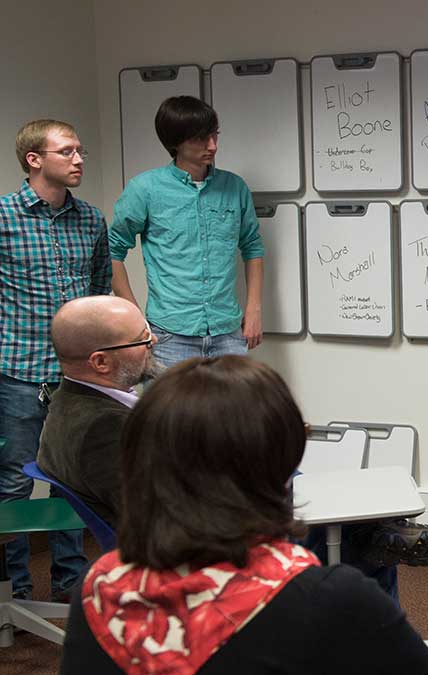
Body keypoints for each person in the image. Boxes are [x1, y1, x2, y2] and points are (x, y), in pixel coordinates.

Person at [60, 356, 428, 674]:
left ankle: (375, 538)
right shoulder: (320, 598)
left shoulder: (99, 585)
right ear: (281, 461)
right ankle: (377, 539)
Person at [0, 119, 108, 601]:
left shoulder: (91, 219)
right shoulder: (3, 217)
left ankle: (69, 583)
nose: (80, 159)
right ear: (34, 160)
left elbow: (99, 291)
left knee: (75, 481)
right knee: (14, 485)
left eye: (80, 150)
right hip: (19, 374)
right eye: (68, 151)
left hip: (77, 377)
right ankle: (14, 594)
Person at [108, 95, 264, 368]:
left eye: (215, 135)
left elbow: (252, 247)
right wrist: (133, 316)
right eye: (200, 138)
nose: (212, 146)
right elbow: (111, 252)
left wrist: (254, 310)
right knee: (169, 412)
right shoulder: (144, 189)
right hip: (169, 334)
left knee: (237, 411)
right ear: (175, 142)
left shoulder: (234, 187)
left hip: (227, 330)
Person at [38, 296, 161, 525]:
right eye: (141, 339)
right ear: (101, 362)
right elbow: (159, 518)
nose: (153, 340)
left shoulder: (65, 401)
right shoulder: (105, 431)